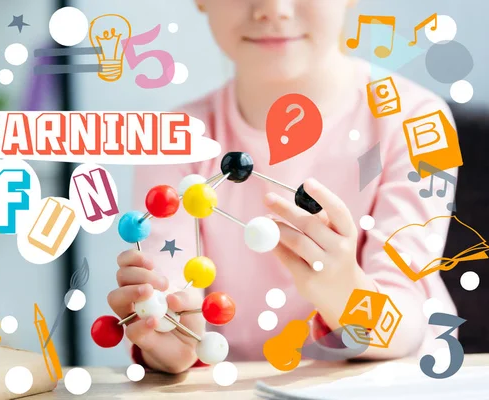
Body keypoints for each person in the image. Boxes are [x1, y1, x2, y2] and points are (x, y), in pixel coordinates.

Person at [107, 0, 458, 374]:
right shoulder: (172, 138)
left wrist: (344, 292)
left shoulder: (419, 122)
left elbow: (407, 321)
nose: (273, 9)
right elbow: (174, 300)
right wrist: (171, 337)